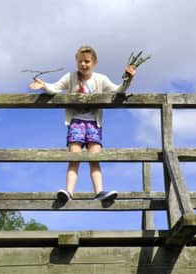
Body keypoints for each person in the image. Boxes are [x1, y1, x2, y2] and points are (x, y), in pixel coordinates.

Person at [29, 45, 137, 202]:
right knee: (74, 157)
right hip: (76, 122)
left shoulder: (101, 79)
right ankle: (69, 192)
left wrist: (128, 79)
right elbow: (55, 88)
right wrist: (44, 85)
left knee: (95, 158)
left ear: (94, 62)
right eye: (80, 61)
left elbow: (118, 90)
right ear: (76, 62)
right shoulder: (71, 77)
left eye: (87, 61)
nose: (83, 64)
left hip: (94, 123)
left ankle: (99, 192)